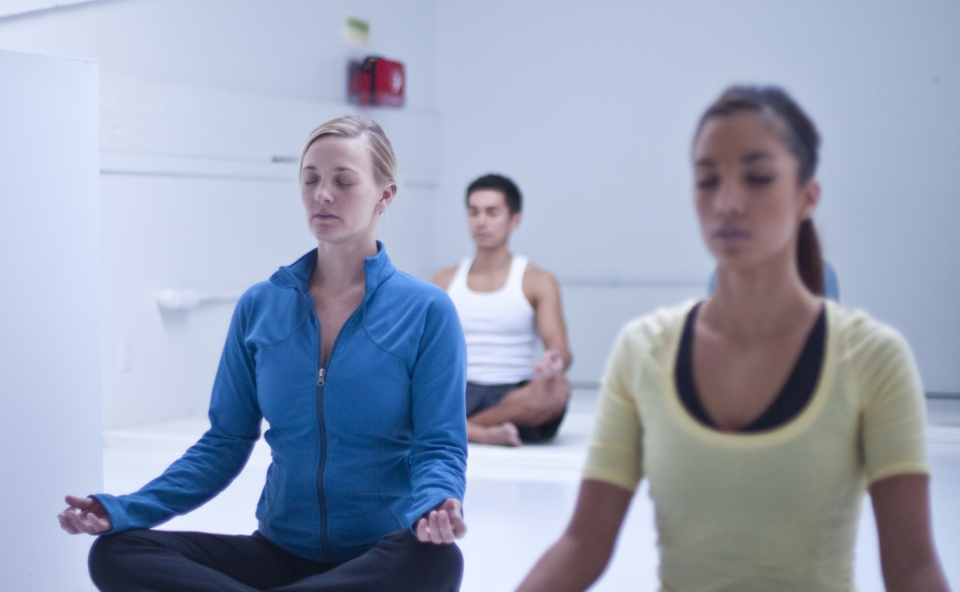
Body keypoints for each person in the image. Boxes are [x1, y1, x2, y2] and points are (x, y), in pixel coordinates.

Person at [515, 87, 950, 591]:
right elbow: (583, 544)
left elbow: (912, 567)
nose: (727, 203)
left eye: (758, 178)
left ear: (808, 195)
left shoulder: (872, 357)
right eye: (707, 180)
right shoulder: (644, 350)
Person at [58, 115, 469, 592]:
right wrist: (126, 509)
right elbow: (223, 444)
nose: (322, 194)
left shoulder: (426, 310)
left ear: (385, 195)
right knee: (116, 551)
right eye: (310, 179)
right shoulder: (261, 306)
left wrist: (438, 502)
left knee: (437, 562)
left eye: (343, 181)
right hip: (277, 552)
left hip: (376, 559)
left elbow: (439, 445)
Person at [432, 174, 572, 447]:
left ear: (514, 219)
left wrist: (556, 361)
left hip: (516, 396)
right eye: (473, 212)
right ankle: (481, 432)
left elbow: (559, 347)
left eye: (492, 212)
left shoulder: (537, 279)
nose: (481, 221)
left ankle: (465, 429)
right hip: (459, 390)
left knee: (558, 390)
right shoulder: (443, 280)